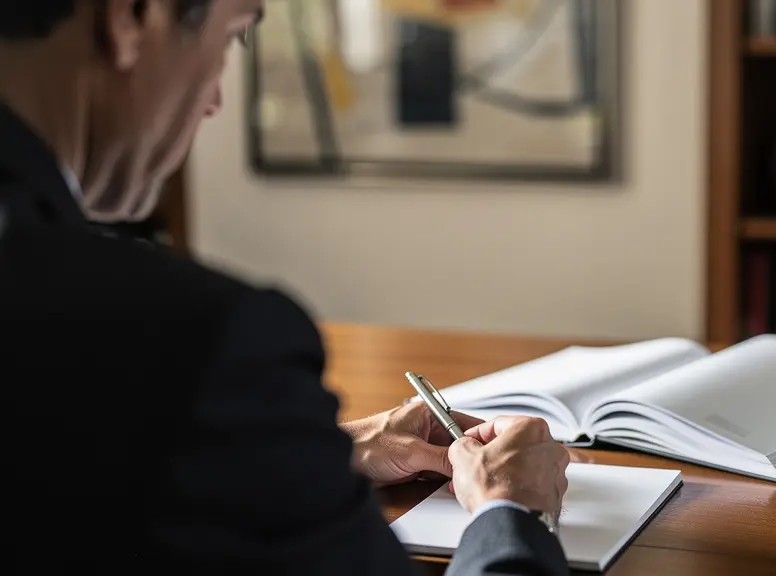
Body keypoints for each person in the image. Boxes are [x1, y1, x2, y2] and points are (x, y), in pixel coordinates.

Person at [0, 1, 570, 574]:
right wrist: (513, 513)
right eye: (233, 36)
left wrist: (304, 451)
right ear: (133, 15)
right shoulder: (201, 342)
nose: (214, 101)